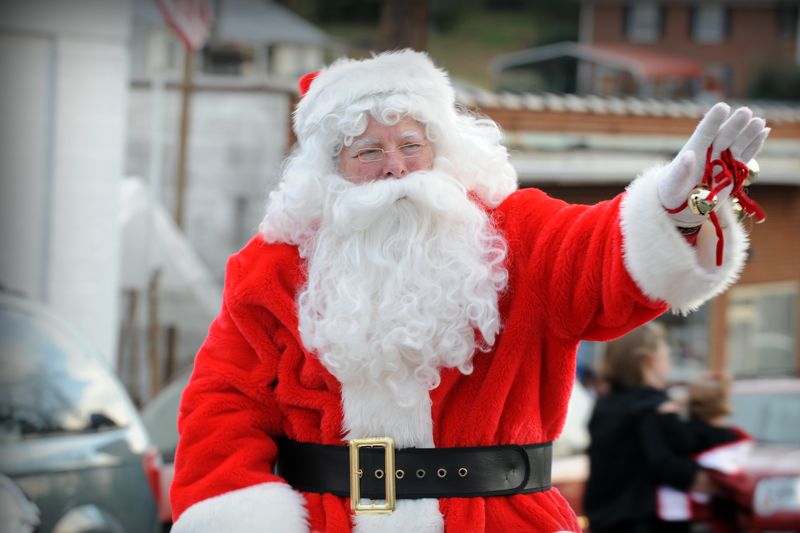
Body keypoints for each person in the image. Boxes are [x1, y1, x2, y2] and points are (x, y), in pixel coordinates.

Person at [169, 49, 769, 533]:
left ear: (440, 149)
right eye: (369, 152)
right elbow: (223, 402)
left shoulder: (519, 234)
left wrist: (677, 213)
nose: (396, 169)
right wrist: (240, 512)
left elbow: (597, 253)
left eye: (410, 146)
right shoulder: (273, 267)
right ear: (331, 169)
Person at [583, 323, 712, 533]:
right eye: (666, 352)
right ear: (649, 360)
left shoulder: (604, 406)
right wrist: (716, 481)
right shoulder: (653, 408)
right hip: (644, 521)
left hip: (603, 520)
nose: (669, 358)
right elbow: (664, 462)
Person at [656, 374, 752, 532]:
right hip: (714, 518)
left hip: (673, 513)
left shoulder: (678, 433)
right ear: (723, 404)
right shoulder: (730, 439)